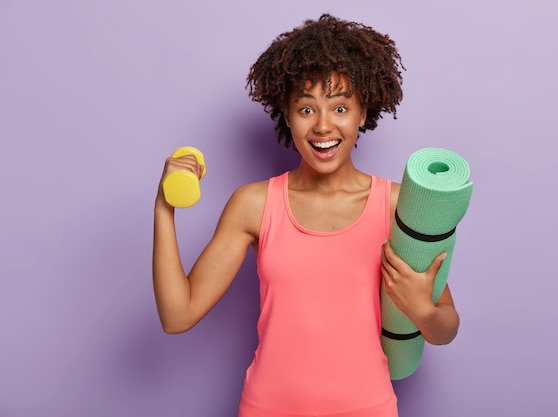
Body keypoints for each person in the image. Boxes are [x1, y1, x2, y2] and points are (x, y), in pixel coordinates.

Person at [152, 14, 459, 417]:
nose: (323, 126)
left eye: (341, 107)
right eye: (306, 109)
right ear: (288, 115)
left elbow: (446, 328)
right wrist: (164, 207)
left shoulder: (398, 205)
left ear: (363, 113)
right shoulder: (254, 204)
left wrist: (422, 309)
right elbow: (178, 315)